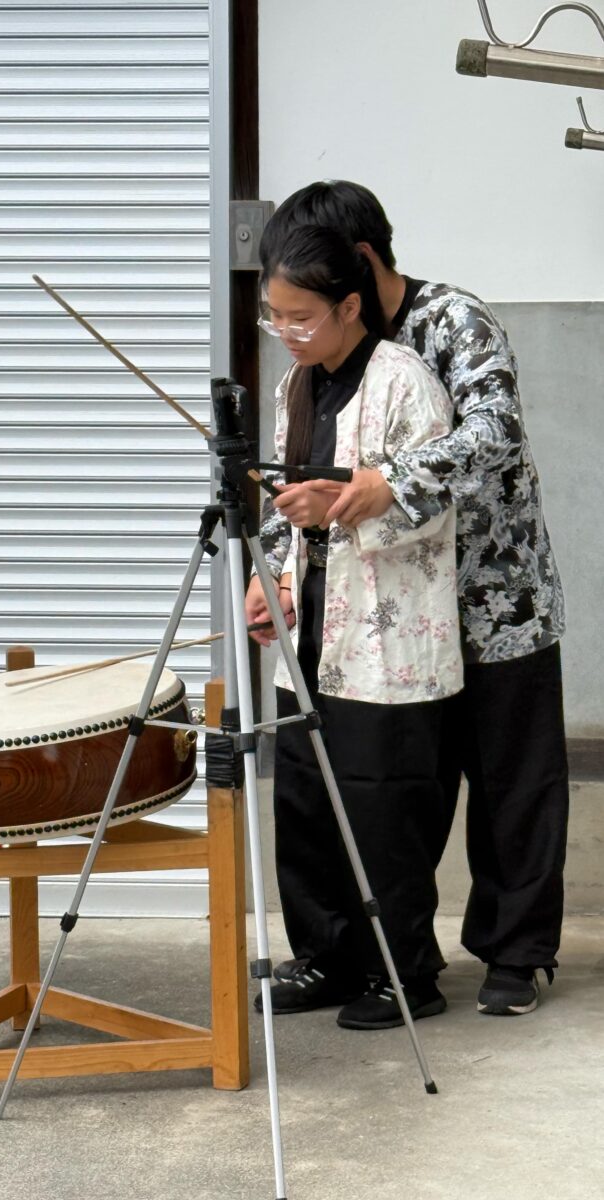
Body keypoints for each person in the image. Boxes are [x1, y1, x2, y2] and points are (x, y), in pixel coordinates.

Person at [247, 180, 568, 1017]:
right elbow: (297, 477)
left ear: (355, 274)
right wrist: (279, 569)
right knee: (385, 788)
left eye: (301, 303)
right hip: (380, 608)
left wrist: (390, 484)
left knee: (509, 782)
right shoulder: (317, 359)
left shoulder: (453, 321)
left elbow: (494, 434)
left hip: (491, 595)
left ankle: (513, 956)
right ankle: (356, 953)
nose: (287, 324)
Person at [248, 222, 463, 1031]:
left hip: (389, 632)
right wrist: (265, 581)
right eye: (275, 317)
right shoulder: (293, 386)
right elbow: (279, 502)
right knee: (304, 798)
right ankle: (324, 958)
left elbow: (437, 500)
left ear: (348, 306)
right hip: (311, 630)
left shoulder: (405, 379)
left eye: (301, 317)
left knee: (382, 805)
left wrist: (338, 509)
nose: (287, 332)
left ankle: (404, 973)